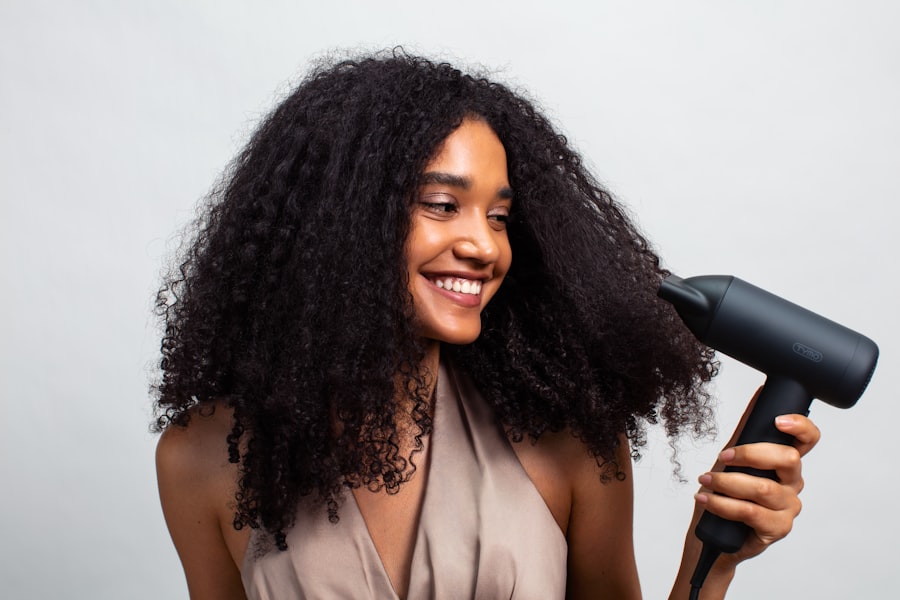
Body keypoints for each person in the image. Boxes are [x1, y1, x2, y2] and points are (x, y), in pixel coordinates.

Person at [154, 50, 820, 599]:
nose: (484, 246)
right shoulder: (202, 461)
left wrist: (712, 559)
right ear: (340, 219)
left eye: (499, 216)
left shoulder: (569, 449)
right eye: (444, 204)